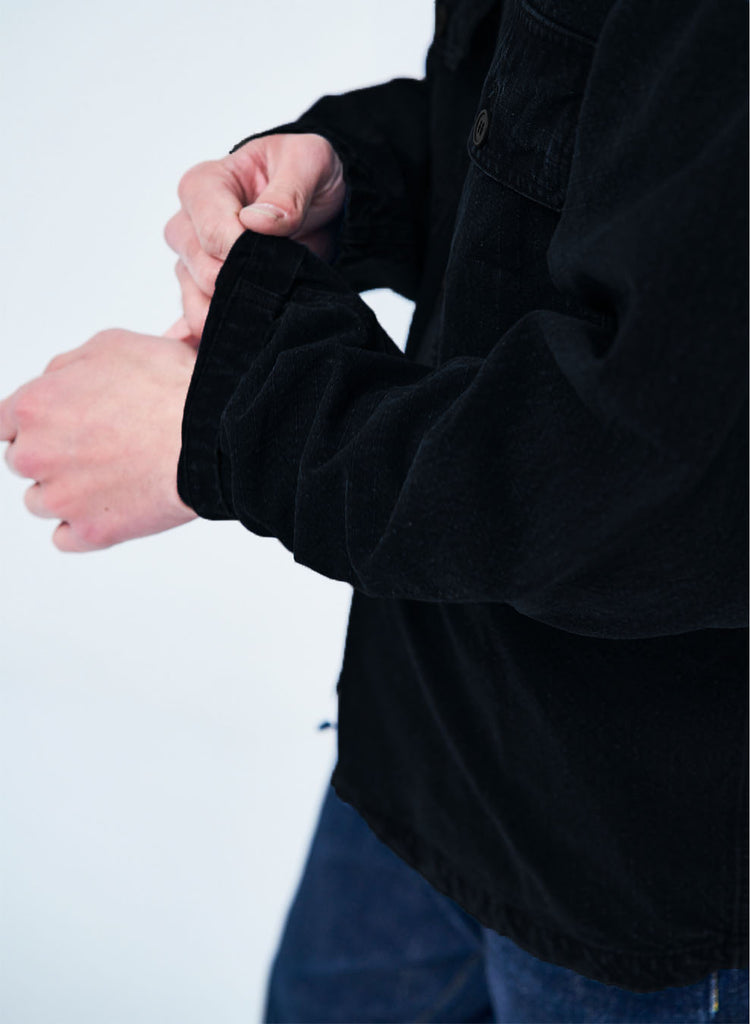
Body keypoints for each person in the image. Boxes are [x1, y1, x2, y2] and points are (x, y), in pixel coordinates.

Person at [0, 0, 748, 1020]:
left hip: (648, 872)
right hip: (426, 729)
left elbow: (652, 477)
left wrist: (221, 420)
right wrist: (357, 178)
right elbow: (613, 144)